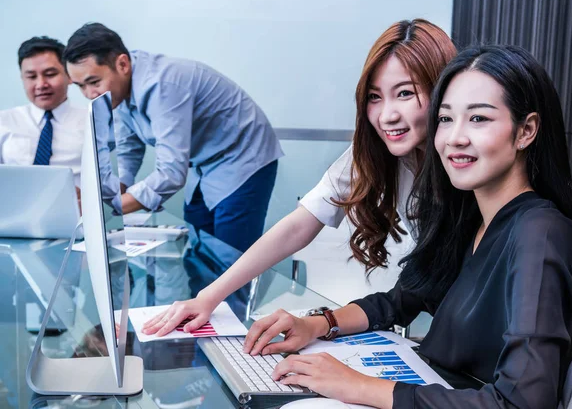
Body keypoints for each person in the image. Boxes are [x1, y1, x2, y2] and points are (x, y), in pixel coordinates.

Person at [242, 45, 572, 408]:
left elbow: (522, 403)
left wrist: (358, 386)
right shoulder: (468, 215)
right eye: (445, 119)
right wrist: (319, 323)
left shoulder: (540, 233)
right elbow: (399, 300)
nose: (454, 138)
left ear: (526, 131)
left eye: (479, 119)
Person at [142, 19, 458, 337]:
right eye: (375, 97)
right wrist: (209, 297)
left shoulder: (469, 168)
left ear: (443, 91)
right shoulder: (375, 152)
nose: (387, 115)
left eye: (404, 93)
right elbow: (299, 225)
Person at [63, 23, 283, 252]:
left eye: (94, 82)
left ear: (122, 64)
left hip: (244, 157)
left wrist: (110, 208)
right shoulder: (117, 88)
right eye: (80, 86)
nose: (90, 95)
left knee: (230, 257)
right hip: (202, 164)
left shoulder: (162, 85)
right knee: (199, 250)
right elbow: (129, 145)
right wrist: (121, 186)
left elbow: (171, 172)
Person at [0, 36, 87, 187]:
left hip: (76, 208)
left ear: (69, 75)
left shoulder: (91, 122)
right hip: (16, 208)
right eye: (31, 77)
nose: (41, 84)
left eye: (50, 74)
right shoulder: (4, 121)